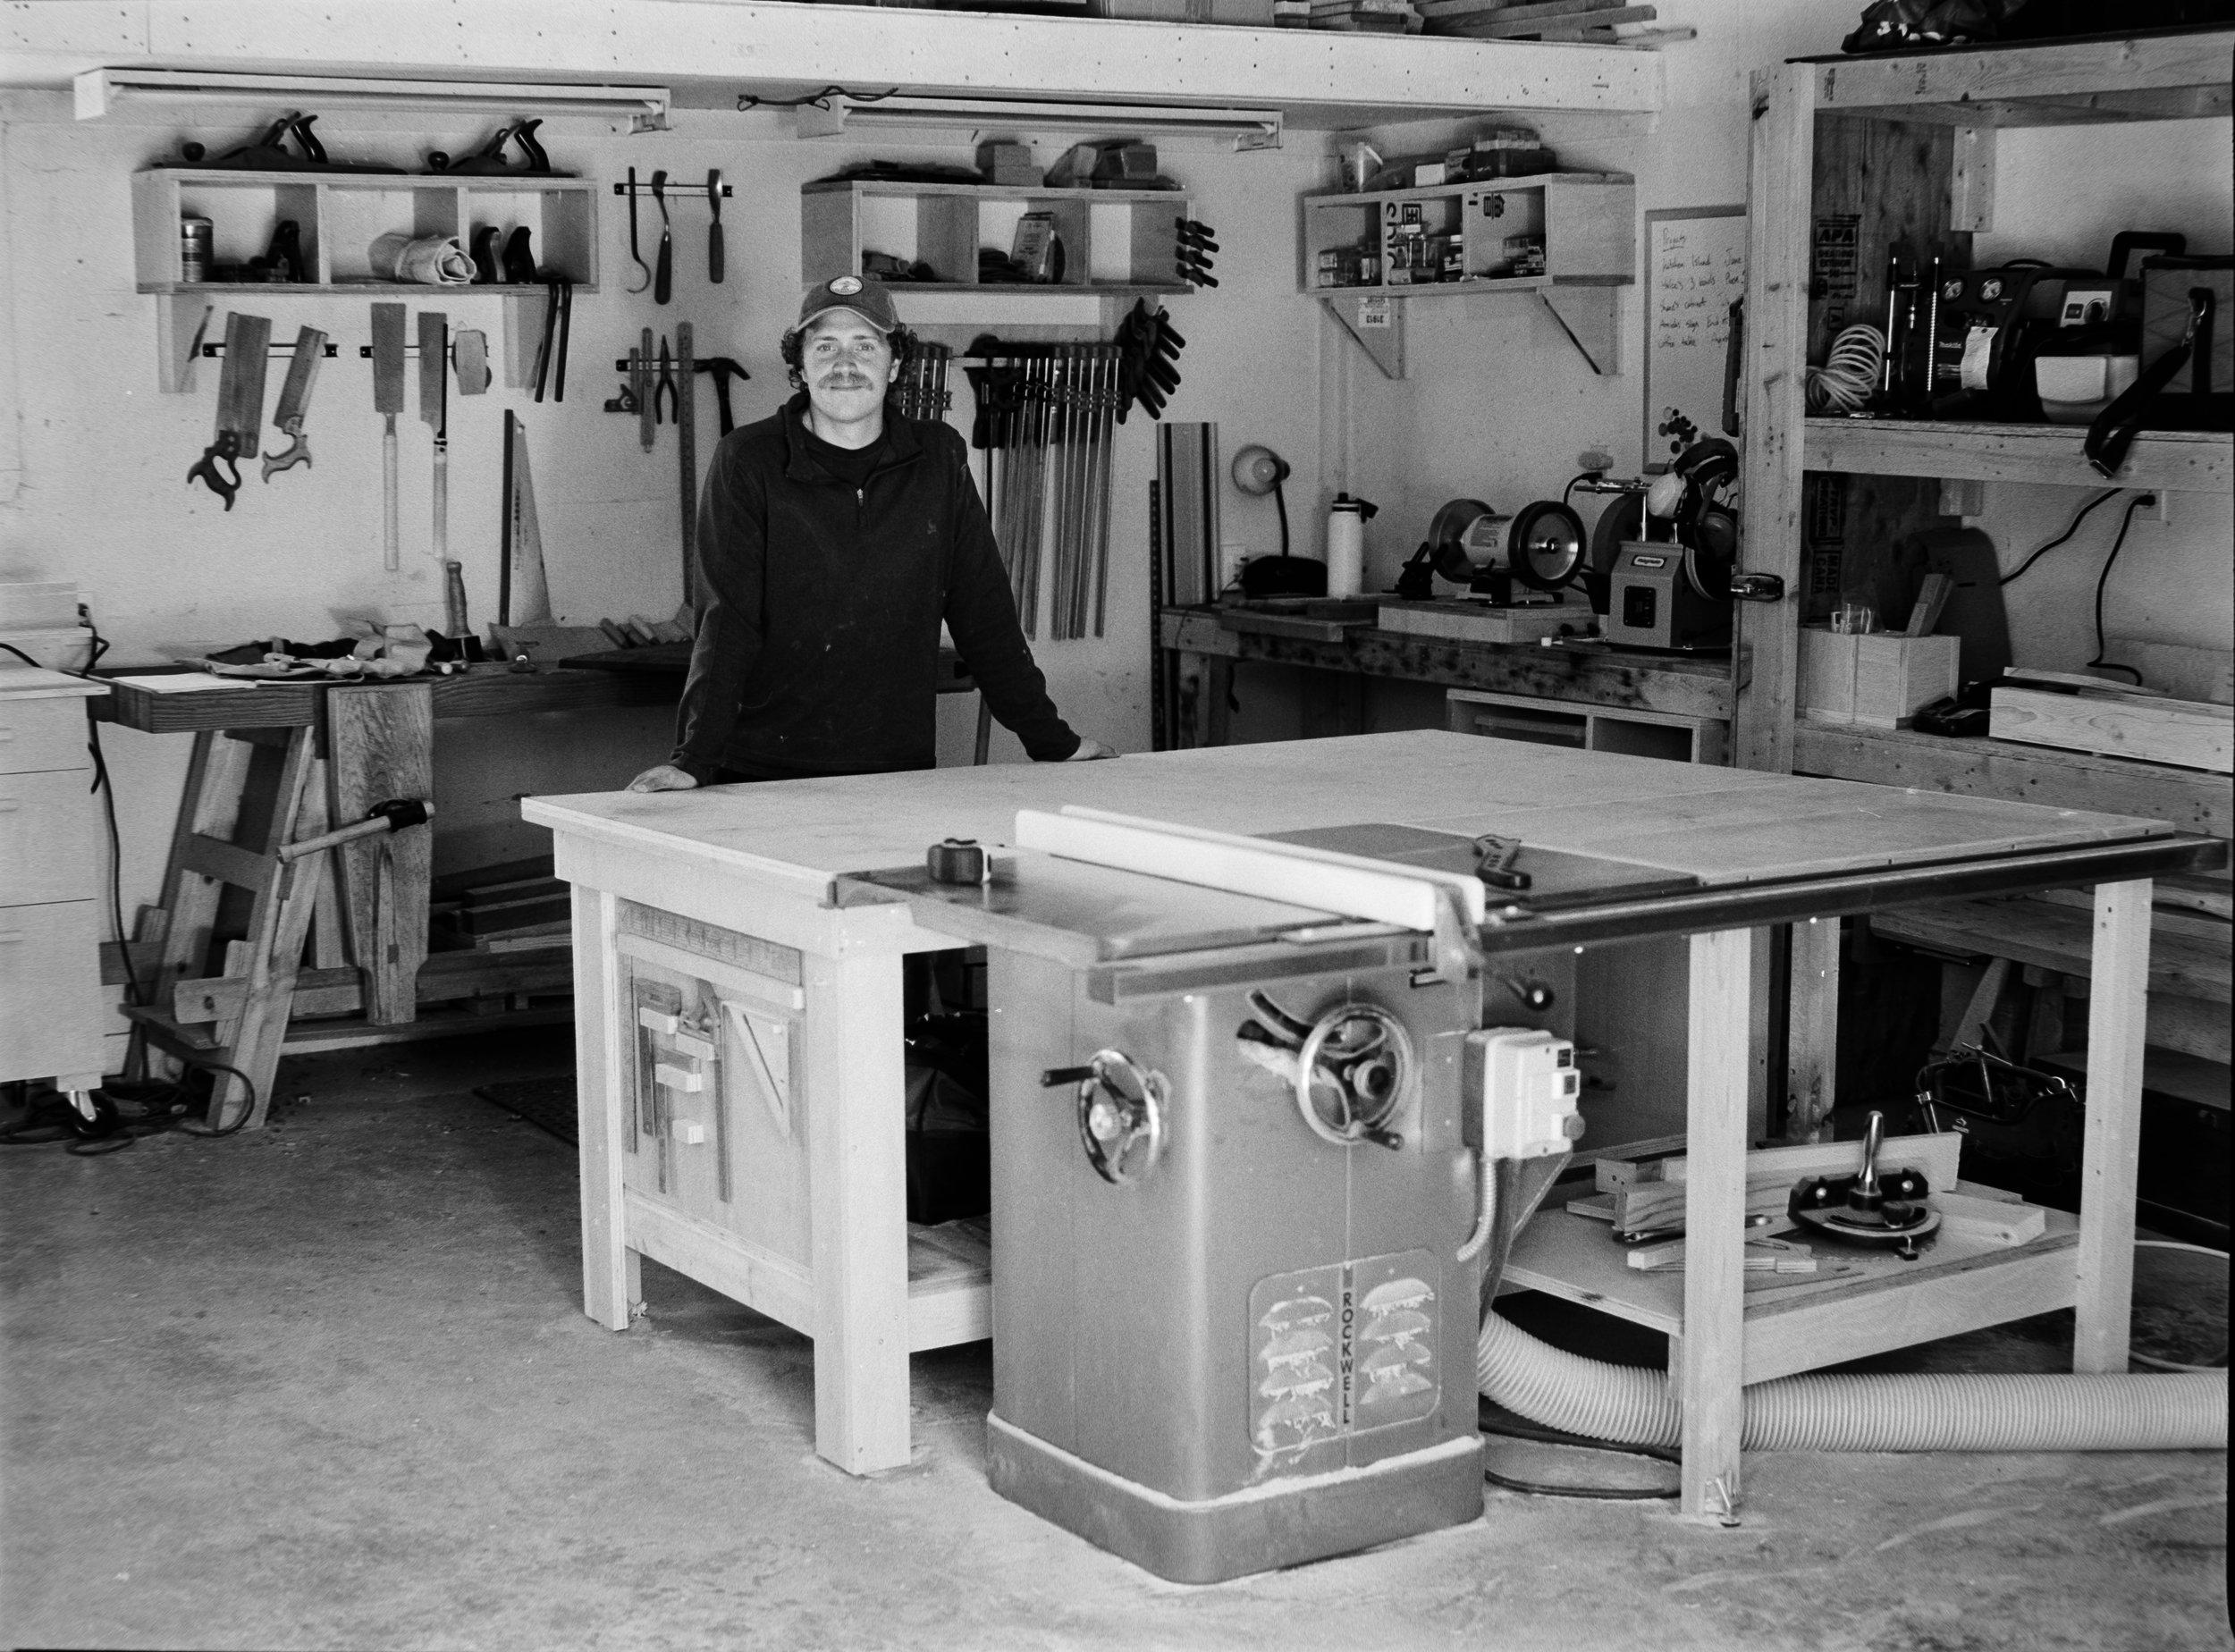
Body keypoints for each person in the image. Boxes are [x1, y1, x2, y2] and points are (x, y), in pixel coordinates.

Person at [628, 274, 1114, 792]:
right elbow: (727, 625)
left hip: (897, 770)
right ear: (799, 365)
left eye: (865, 345)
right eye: (825, 346)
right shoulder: (750, 460)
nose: (846, 364)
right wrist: (693, 761)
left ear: (895, 361)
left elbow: (984, 612)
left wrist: (1052, 742)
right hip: (763, 772)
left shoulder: (938, 457)